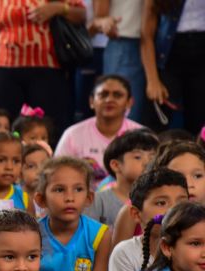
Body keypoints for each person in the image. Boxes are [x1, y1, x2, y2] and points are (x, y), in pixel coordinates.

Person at [0, 0, 86, 133]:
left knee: (48, 129)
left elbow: (82, 15)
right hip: (4, 74)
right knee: (5, 129)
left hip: (49, 72)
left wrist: (58, 8)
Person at [108, 168, 188, 271]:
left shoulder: (197, 249)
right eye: (161, 203)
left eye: (181, 202)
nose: (174, 210)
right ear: (136, 214)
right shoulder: (125, 252)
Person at [111, 141, 205, 248]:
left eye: (197, 176)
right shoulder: (134, 209)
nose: (189, 184)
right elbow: (116, 256)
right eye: (178, 176)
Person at [55, 75, 143, 183]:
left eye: (117, 95)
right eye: (103, 94)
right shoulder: (72, 134)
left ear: (129, 102)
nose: (109, 99)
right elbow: (57, 174)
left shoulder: (142, 136)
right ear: (91, 101)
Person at [140, 0, 205, 134]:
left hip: (201, 54)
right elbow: (146, 35)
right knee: (157, 122)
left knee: (199, 122)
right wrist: (152, 80)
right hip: (169, 55)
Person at [88, 128, 158, 226]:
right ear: (116, 165)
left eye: (152, 157)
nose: (147, 163)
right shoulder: (99, 201)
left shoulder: (159, 200)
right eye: (138, 157)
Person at [94, 0, 146, 122]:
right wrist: (105, 23)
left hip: (162, 44)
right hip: (124, 44)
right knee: (126, 115)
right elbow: (98, 19)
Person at [21, 142, 52, 217]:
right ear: (19, 173)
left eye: (45, 165)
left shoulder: (53, 197)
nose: (39, 171)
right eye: (31, 166)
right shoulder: (16, 197)